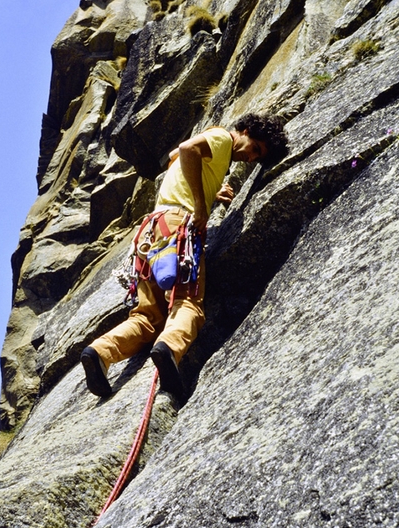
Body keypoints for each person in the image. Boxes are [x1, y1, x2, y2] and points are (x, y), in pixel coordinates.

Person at [81, 113, 288, 400]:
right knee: (188, 303)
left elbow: (175, 155)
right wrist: (201, 206)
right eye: (255, 148)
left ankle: (99, 353)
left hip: (151, 232)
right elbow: (189, 149)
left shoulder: (217, 155)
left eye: (258, 156)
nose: (251, 158)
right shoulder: (222, 138)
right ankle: (169, 351)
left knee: (148, 317)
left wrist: (211, 189)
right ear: (244, 130)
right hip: (178, 228)